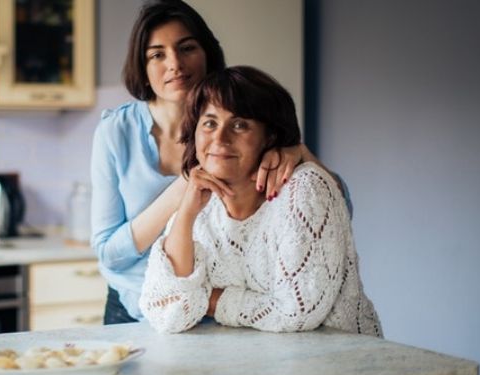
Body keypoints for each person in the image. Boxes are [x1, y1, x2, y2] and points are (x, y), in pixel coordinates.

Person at [91, 0, 346, 325]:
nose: (175, 64)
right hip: (137, 308)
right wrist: (187, 186)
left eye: (187, 48)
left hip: (227, 309)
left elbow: (337, 208)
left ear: (208, 54)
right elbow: (109, 254)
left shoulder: (243, 122)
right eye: (157, 54)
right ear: (142, 66)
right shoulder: (115, 132)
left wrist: (298, 152)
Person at [139, 66, 382, 336]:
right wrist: (185, 214)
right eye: (209, 123)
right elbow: (164, 312)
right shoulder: (200, 206)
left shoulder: (304, 188)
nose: (220, 138)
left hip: (342, 365)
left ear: (271, 135)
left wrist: (208, 299)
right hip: (257, 366)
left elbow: (297, 313)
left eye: (240, 125)